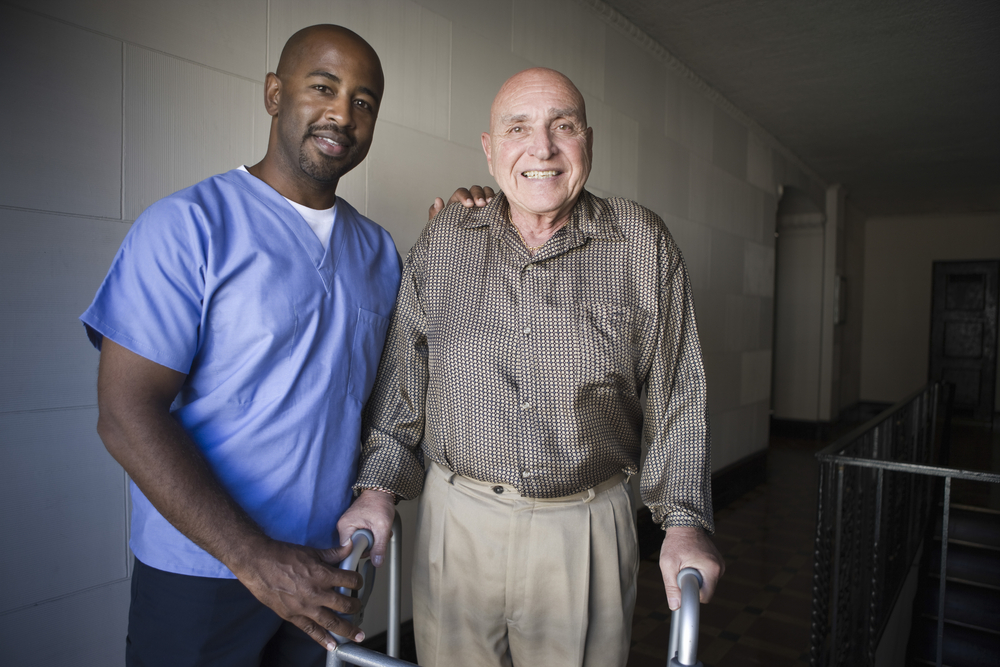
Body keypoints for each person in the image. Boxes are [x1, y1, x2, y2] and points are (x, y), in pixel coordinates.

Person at [338, 67, 725, 667]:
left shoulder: (641, 245)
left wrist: (684, 521)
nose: (541, 148)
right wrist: (376, 489)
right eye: (518, 128)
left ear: (587, 142)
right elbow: (401, 390)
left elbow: (679, 393)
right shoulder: (445, 241)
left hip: (584, 526)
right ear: (490, 152)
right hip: (455, 522)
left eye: (562, 127)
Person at [81, 25, 401, 667]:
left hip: (328, 571)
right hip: (202, 576)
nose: (343, 112)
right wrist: (256, 560)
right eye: (323, 87)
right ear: (274, 94)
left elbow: (391, 398)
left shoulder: (380, 253)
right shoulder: (187, 227)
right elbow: (125, 415)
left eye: (364, 102)